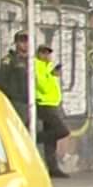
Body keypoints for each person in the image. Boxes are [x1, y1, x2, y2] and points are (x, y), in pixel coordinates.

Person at [34, 43, 71, 178]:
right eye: (43, 52)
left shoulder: (48, 66)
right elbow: (42, 86)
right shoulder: (36, 66)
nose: (46, 55)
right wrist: (53, 76)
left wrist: (53, 74)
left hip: (52, 103)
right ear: (38, 53)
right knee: (62, 131)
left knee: (51, 141)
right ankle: (33, 138)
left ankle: (53, 168)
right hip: (43, 104)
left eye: (48, 52)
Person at [0, 31, 32, 116]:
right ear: (16, 43)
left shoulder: (31, 60)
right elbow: (1, 83)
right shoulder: (9, 60)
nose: (25, 44)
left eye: (27, 41)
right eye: (22, 41)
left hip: (31, 102)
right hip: (17, 103)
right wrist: (13, 97)